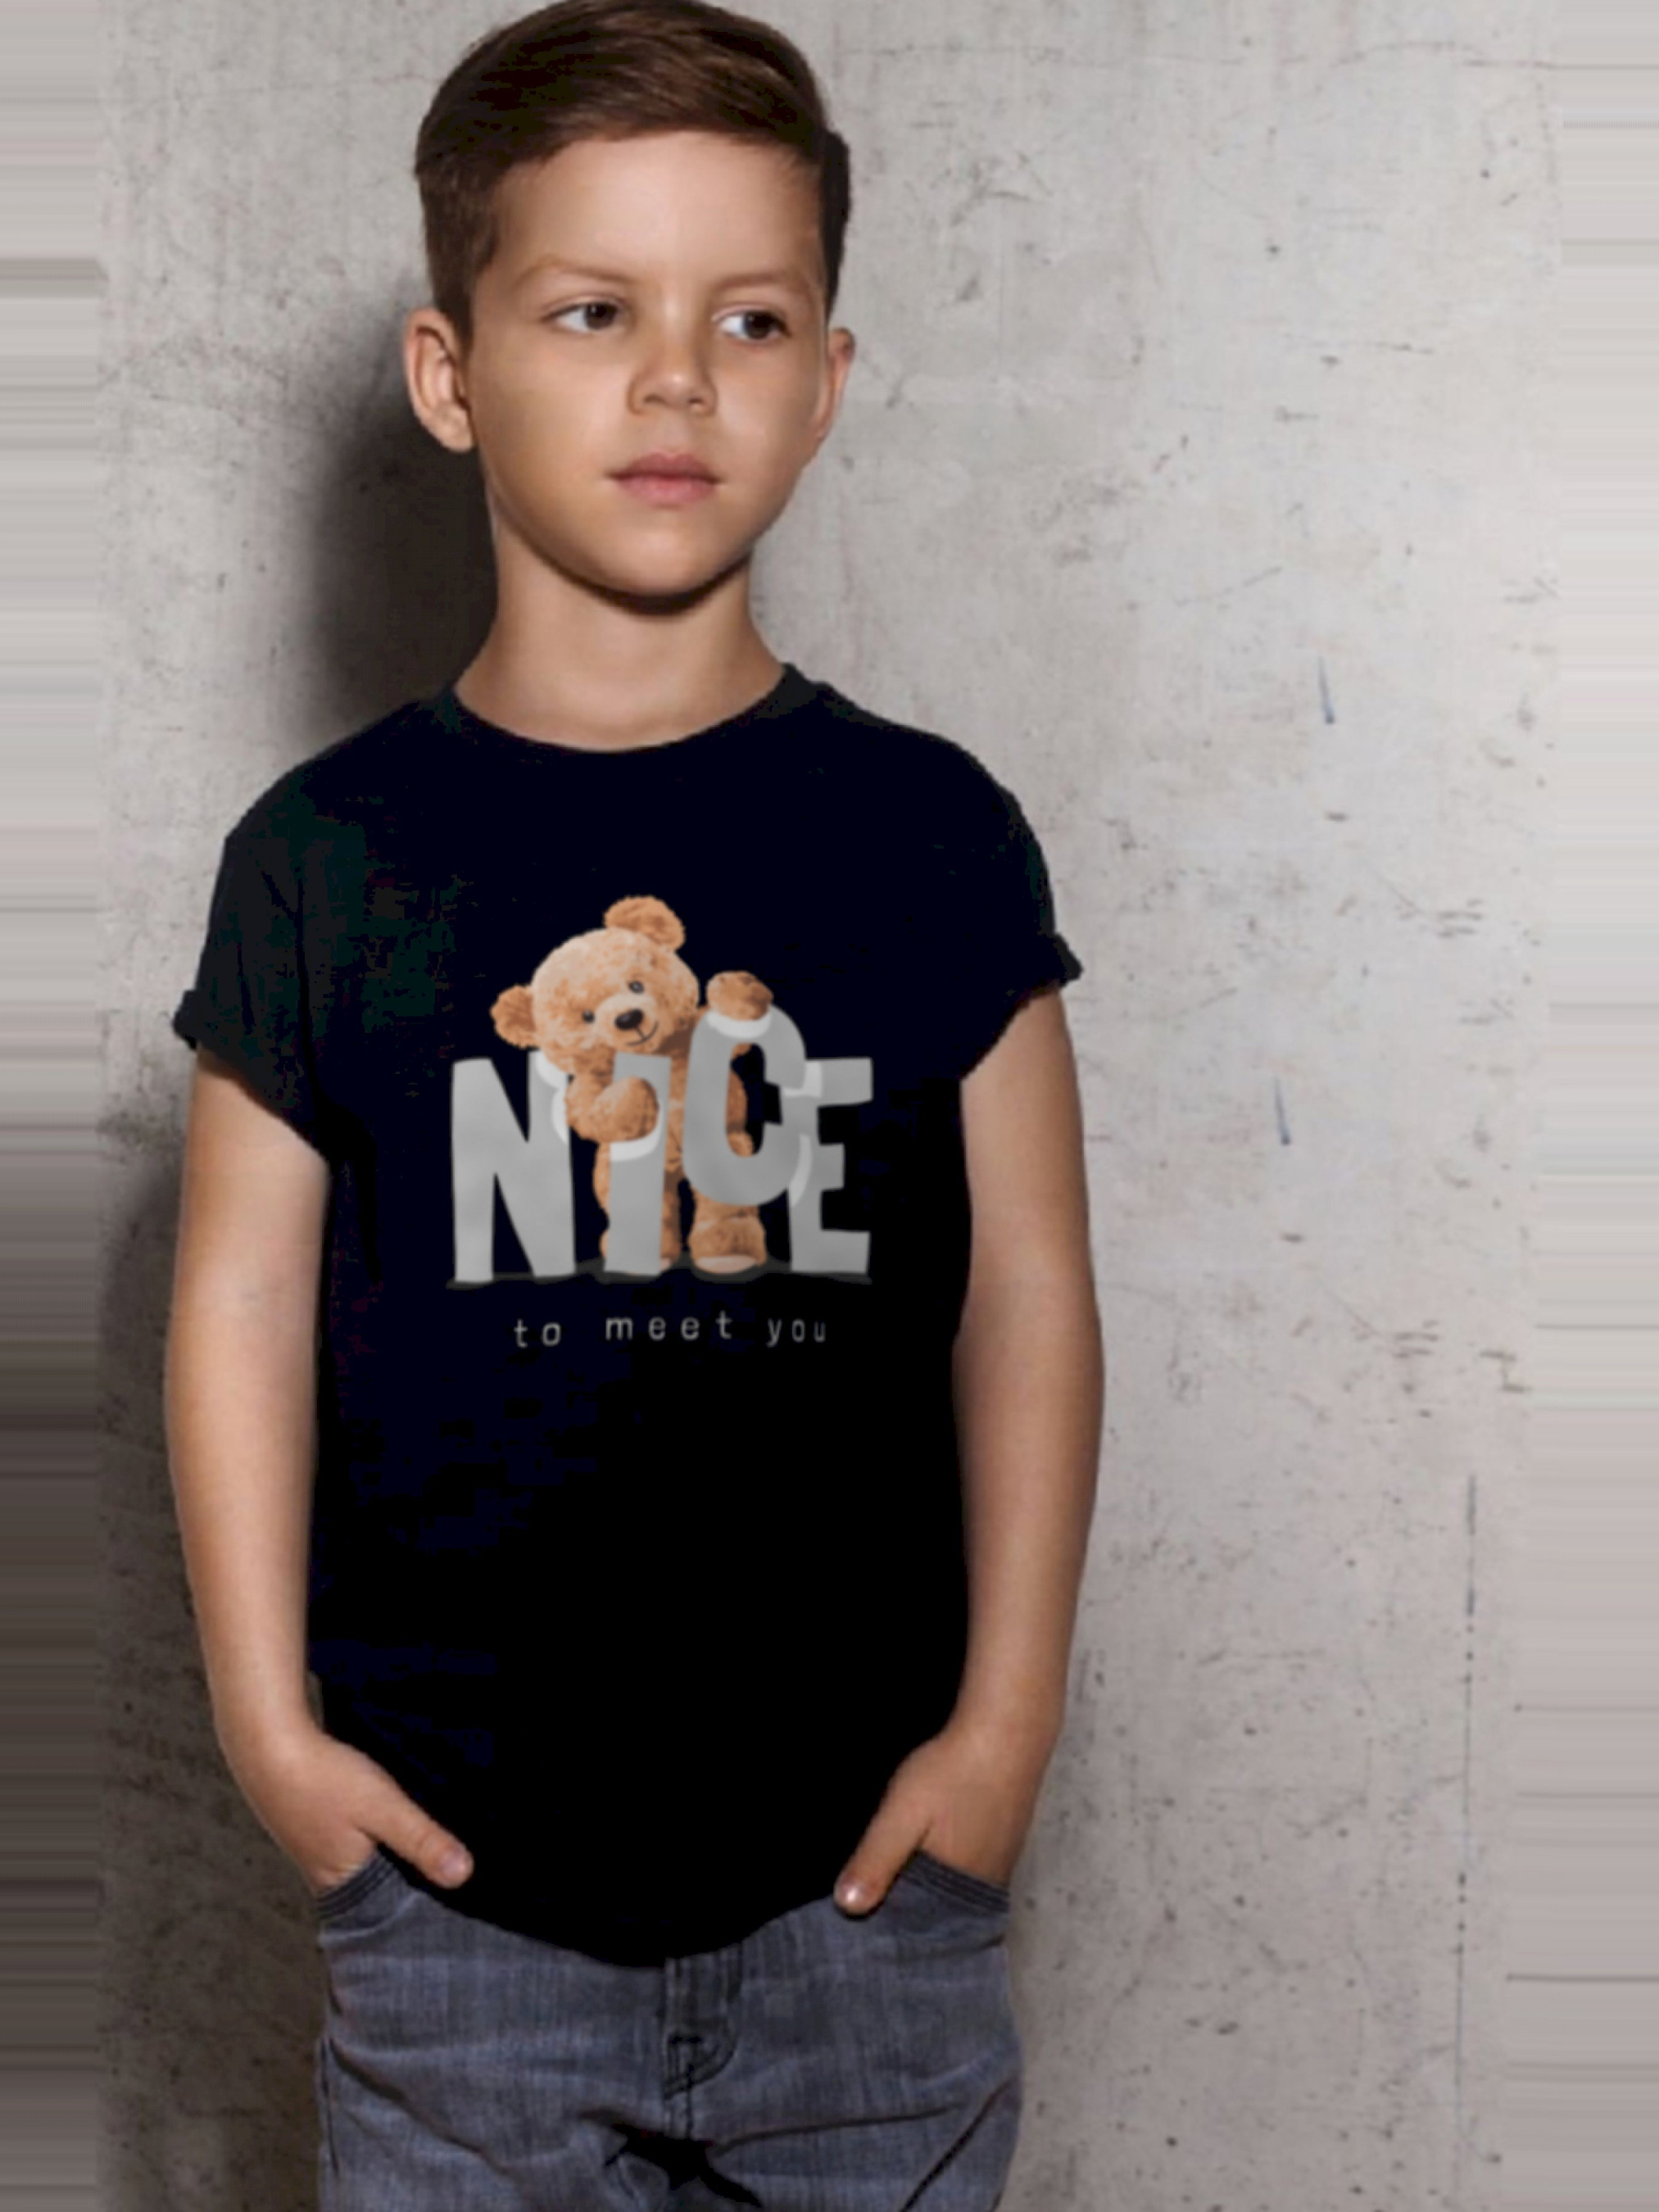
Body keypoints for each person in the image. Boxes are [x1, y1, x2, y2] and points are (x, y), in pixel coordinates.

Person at [163, 2, 1104, 2205]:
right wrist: (272, 1740)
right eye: (593, 310)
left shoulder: (933, 835)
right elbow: (238, 1307)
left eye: (746, 318)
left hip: (866, 1909)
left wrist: (1003, 1734)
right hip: (456, 1915)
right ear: (449, 372)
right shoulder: (322, 857)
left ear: (827, 379)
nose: (676, 377)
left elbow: (1030, 1294)